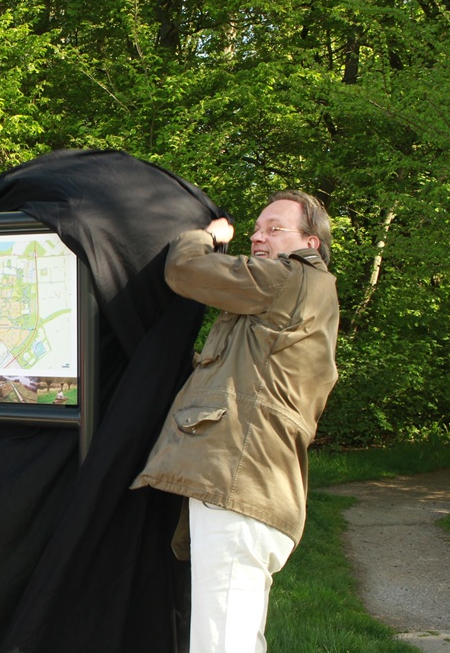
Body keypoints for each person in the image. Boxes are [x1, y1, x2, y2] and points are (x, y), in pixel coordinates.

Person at [132, 190, 339, 652]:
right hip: (249, 483)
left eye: (275, 228)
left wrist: (205, 236)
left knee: (223, 642)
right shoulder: (286, 304)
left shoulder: (293, 279)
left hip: (240, 481)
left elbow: (185, 270)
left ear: (309, 242)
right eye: (256, 227)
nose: (257, 236)